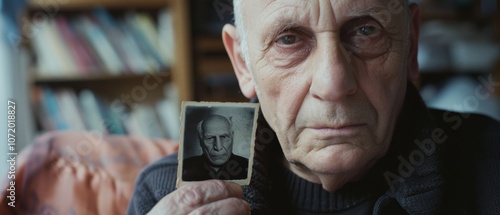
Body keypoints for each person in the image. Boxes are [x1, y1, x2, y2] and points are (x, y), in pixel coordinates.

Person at [127, 0, 500, 214]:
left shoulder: (492, 167)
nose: (333, 83)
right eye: (289, 39)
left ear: (412, 44)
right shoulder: (165, 195)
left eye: (366, 31)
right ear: (242, 63)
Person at [182, 115, 248, 181]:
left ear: (232, 137)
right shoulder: (184, 167)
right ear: (200, 140)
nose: (218, 148)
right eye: (210, 138)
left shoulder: (248, 167)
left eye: (224, 137)